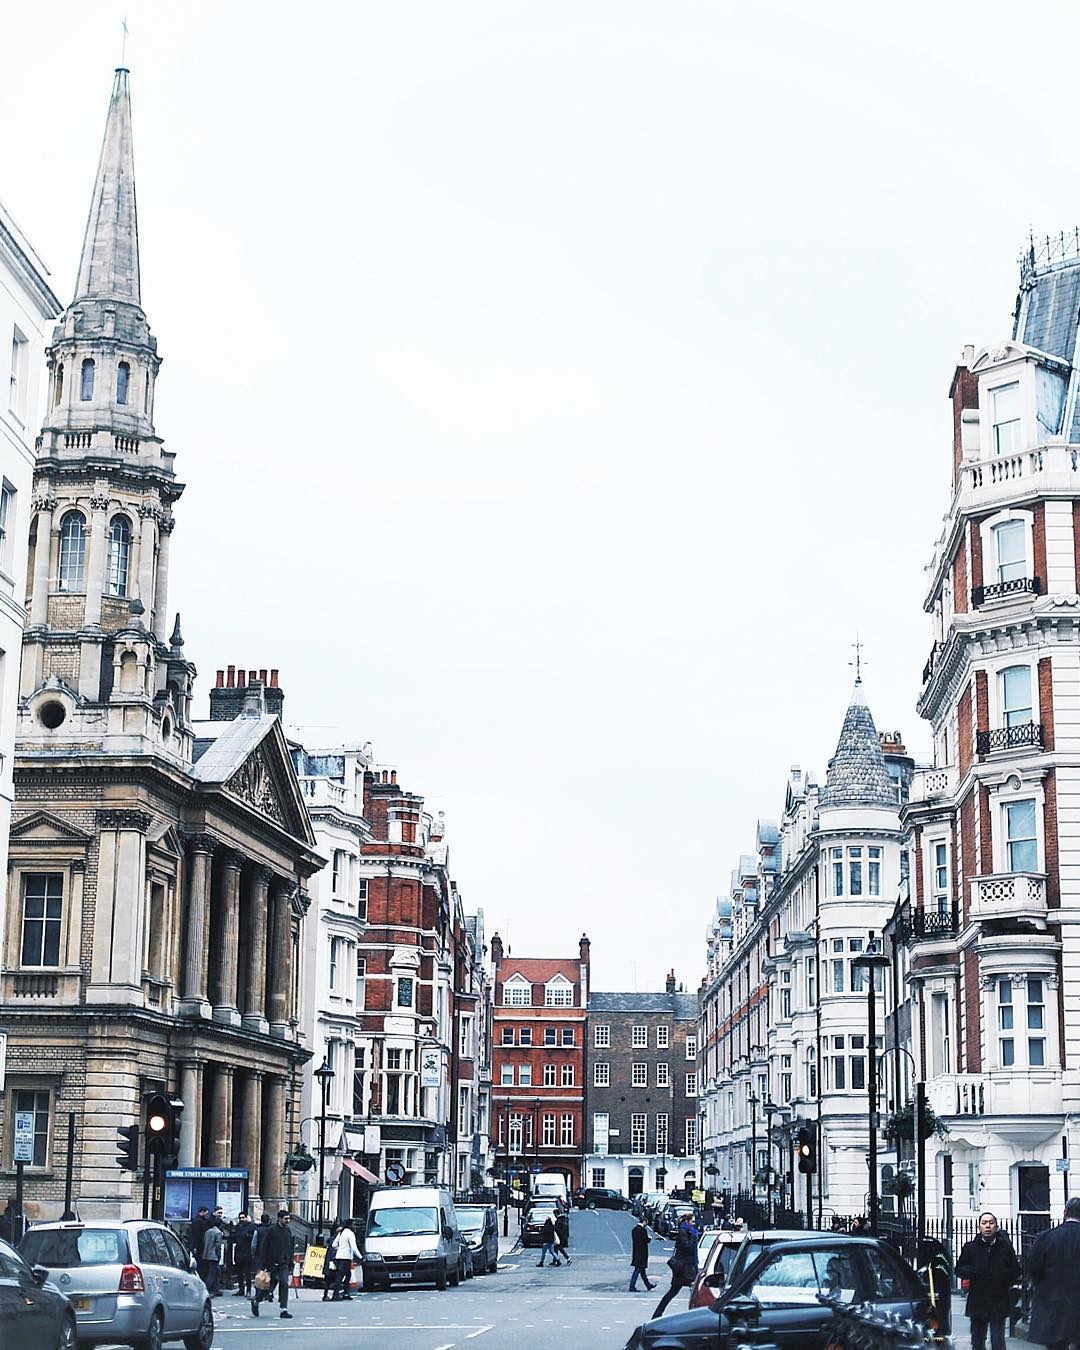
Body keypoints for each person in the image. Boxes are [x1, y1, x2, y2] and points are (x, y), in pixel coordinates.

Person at [954, 1212, 1020, 1350]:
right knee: (977, 1340)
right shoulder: (970, 1247)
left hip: (999, 1300)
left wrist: (1002, 1274)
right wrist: (974, 1271)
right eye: (984, 1223)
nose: (988, 1226)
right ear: (979, 1227)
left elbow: (1016, 1270)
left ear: (996, 1226)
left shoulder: (1005, 1247)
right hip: (978, 1300)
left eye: (991, 1223)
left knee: (998, 1340)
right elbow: (959, 1270)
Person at [1027, 1196, 1080, 1350]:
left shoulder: (1046, 1237)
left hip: (1052, 1301)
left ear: (1065, 1212)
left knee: (1055, 1345)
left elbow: (1034, 1268)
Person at [651, 1214, 699, 1319]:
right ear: (687, 1221)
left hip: (687, 1266)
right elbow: (687, 1247)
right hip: (683, 1267)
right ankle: (695, 1316)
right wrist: (694, 1238)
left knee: (677, 1291)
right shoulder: (684, 1232)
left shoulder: (688, 1231)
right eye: (693, 1222)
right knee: (693, 1290)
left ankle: (658, 1313)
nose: (694, 1224)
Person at [252, 1209, 295, 1319]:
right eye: (286, 1219)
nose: (288, 1221)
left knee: (284, 1283)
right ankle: (256, 1301)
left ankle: (283, 1309)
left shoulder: (288, 1231)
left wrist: (290, 1261)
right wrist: (264, 1262)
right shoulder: (270, 1230)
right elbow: (263, 1246)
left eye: (288, 1219)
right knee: (266, 1287)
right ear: (279, 1219)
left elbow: (290, 1247)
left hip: (283, 1263)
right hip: (270, 1263)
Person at [331, 1219, 360, 1300]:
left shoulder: (342, 1232)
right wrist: (361, 1257)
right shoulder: (350, 1234)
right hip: (345, 1258)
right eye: (354, 1225)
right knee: (341, 1276)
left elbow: (334, 1245)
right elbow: (354, 1248)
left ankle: (345, 1293)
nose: (355, 1226)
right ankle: (336, 1294)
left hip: (339, 1257)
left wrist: (340, 1249)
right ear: (350, 1225)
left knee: (347, 1275)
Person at [232, 1213, 256, 1298]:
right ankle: (241, 1289)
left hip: (247, 1252)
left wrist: (248, 1236)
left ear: (246, 1218)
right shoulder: (238, 1227)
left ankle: (248, 1290)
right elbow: (234, 1238)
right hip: (239, 1252)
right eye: (240, 1218)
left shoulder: (251, 1226)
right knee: (239, 1273)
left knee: (247, 1273)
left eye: (243, 1217)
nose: (241, 1219)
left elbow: (254, 1238)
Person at [629, 1217, 655, 1292]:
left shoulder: (634, 1229)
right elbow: (646, 1240)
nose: (647, 1224)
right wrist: (649, 1238)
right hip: (642, 1253)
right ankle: (632, 1286)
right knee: (637, 1270)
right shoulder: (643, 1230)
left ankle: (648, 1285)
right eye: (646, 1222)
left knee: (642, 1271)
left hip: (636, 1252)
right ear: (644, 1221)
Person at [189, 1206, 212, 1281]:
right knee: (200, 1264)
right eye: (206, 1213)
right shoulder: (198, 1221)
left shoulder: (197, 1220)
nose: (206, 1214)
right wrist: (195, 1246)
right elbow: (197, 1235)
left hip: (198, 1245)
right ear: (202, 1212)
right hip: (199, 1246)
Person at [202, 1220, 224, 1298]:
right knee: (212, 1273)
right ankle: (208, 1289)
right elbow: (218, 1245)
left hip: (206, 1254)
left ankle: (215, 1289)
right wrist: (218, 1255)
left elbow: (204, 1241)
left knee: (214, 1272)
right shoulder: (218, 1233)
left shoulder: (208, 1231)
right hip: (214, 1255)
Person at [321, 1222, 341, 1302]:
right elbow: (333, 1252)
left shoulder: (332, 1240)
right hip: (332, 1263)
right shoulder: (334, 1241)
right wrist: (335, 1261)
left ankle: (329, 1295)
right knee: (333, 1279)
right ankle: (334, 1295)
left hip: (329, 1263)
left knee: (329, 1281)